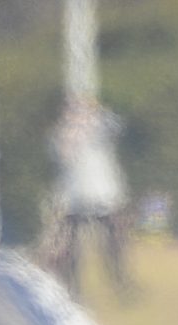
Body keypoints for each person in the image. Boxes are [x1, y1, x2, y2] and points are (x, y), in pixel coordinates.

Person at [48, 92, 130, 298]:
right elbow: (60, 156)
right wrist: (72, 134)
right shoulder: (62, 134)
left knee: (114, 238)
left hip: (102, 191)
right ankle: (72, 284)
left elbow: (116, 126)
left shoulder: (99, 128)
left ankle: (118, 279)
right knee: (70, 242)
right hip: (75, 194)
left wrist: (97, 113)